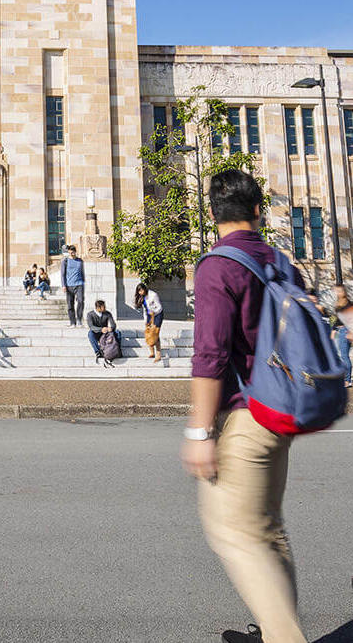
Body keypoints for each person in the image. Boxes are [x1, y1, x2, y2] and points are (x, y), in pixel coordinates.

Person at [183, 169, 313, 643]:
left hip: (247, 414)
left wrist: (199, 432)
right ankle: (275, 628)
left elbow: (210, 355)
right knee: (267, 528)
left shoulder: (218, 265)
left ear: (213, 213)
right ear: (258, 211)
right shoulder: (281, 261)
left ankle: (284, 637)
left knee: (233, 532)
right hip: (284, 408)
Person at [135, 283, 163, 362]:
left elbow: (160, 307)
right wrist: (145, 320)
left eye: (141, 290)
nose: (140, 292)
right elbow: (145, 309)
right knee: (148, 332)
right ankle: (152, 352)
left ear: (145, 289)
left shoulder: (153, 295)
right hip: (149, 316)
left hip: (157, 314)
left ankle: (158, 354)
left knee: (155, 333)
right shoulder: (142, 297)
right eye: (139, 291)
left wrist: (154, 312)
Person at [60, 245, 85, 326]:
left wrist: (83, 282)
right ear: (68, 252)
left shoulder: (80, 261)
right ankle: (72, 322)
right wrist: (63, 285)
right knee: (70, 304)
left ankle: (79, 320)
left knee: (80, 301)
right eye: (70, 252)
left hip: (79, 284)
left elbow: (82, 272)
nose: (72, 253)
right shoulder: (65, 261)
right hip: (69, 285)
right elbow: (63, 274)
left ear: (75, 252)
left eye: (73, 252)